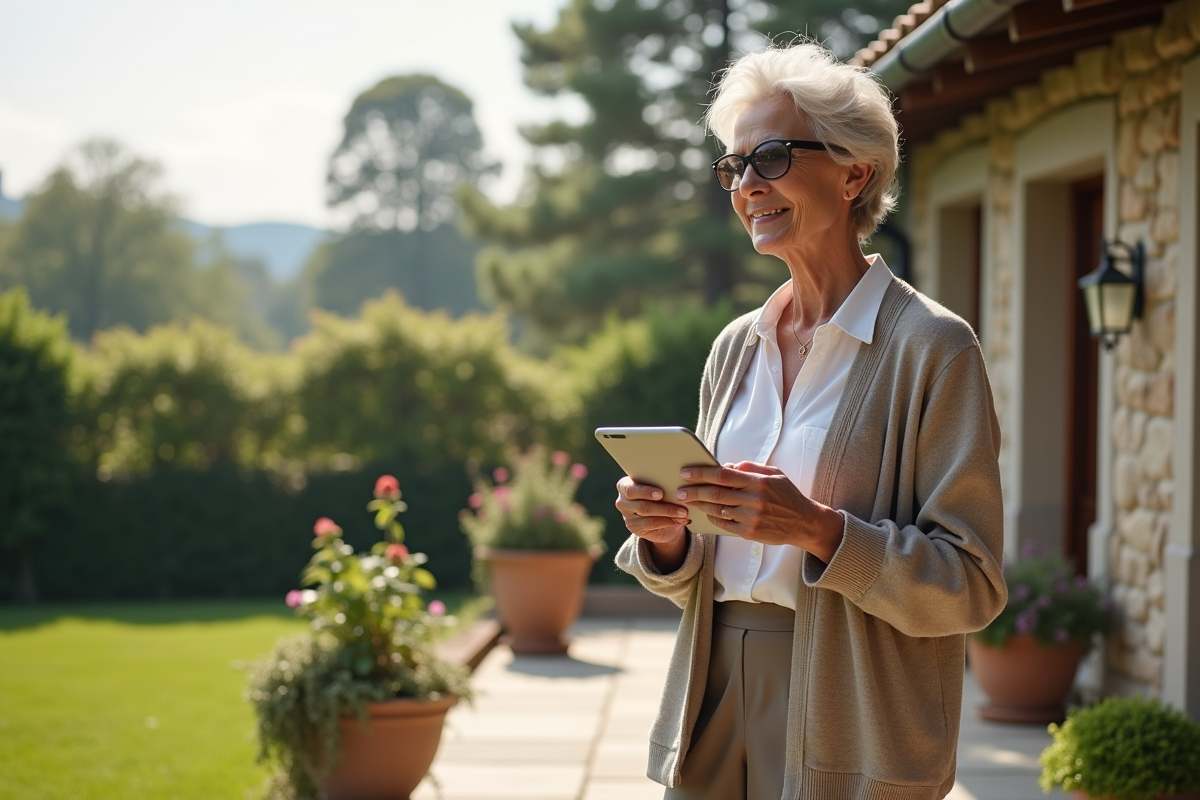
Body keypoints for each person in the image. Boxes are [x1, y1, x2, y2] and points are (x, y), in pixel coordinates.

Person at [613, 42, 1007, 800]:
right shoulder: (736, 346)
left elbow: (972, 586)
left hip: (851, 705)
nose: (747, 186)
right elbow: (712, 565)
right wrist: (667, 539)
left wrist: (819, 530)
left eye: (769, 157)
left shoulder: (934, 348)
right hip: (711, 689)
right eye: (734, 167)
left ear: (855, 172)